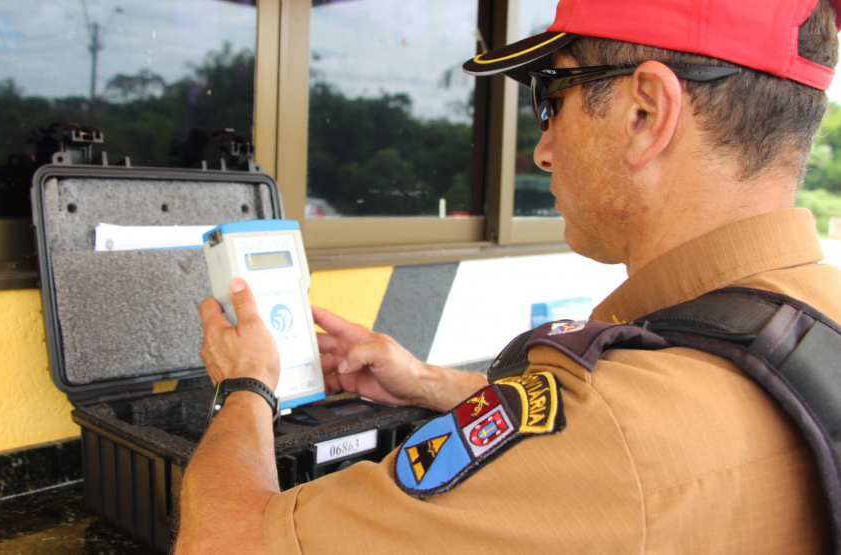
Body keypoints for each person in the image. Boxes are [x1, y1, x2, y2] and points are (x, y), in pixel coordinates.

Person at [176, 0, 841, 552]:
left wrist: (245, 389)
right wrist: (431, 383)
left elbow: (222, 544)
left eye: (550, 98)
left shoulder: (611, 431)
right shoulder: (812, 314)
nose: (542, 149)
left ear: (644, 112)